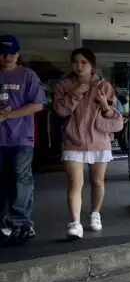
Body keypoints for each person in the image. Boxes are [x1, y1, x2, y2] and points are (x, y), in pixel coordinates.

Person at [53, 47, 123, 239]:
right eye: (76, 62)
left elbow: (113, 117)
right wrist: (75, 93)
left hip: (99, 140)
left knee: (97, 181)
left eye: (84, 62)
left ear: (92, 65)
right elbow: (60, 111)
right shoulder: (64, 85)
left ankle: (95, 213)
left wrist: (103, 104)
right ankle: (75, 223)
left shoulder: (104, 86)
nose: (79, 66)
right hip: (73, 141)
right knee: (75, 183)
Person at [0, 35, 45, 245]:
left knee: (21, 179)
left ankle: (22, 223)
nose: (6, 57)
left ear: (18, 54)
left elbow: (38, 105)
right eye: (2, 53)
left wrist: (8, 115)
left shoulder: (27, 75)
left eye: (10, 53)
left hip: (21, 138)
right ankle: (3, 221)